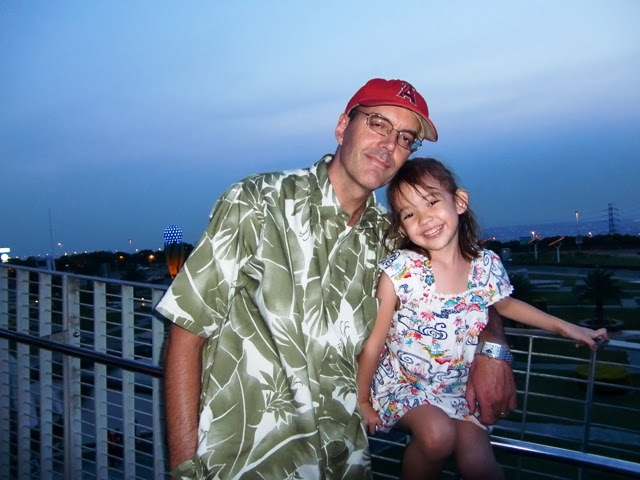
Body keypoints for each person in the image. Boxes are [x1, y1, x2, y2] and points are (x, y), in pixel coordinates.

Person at [156, 78, 516, 480]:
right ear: (343, 127)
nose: (389, 144)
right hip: (248, 464)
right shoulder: (258, 202)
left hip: (343, 463)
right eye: (378, 124)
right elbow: (186, 332)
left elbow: (467, 284)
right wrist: (183, 469)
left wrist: (493, 346)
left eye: (405, 138)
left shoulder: (393, 240)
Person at [356, 157, 609, 480]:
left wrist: (569, 329)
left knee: (480, 465)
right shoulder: (401, 270)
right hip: (405, 386)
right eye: (409, 213)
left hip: (459, 390)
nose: (424, 218)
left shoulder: (484, 265)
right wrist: (363, 400)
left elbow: (507, 305)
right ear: (402, 226)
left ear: (459, 202)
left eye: (432, 202)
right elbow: (375, 342)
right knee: (437, 436)